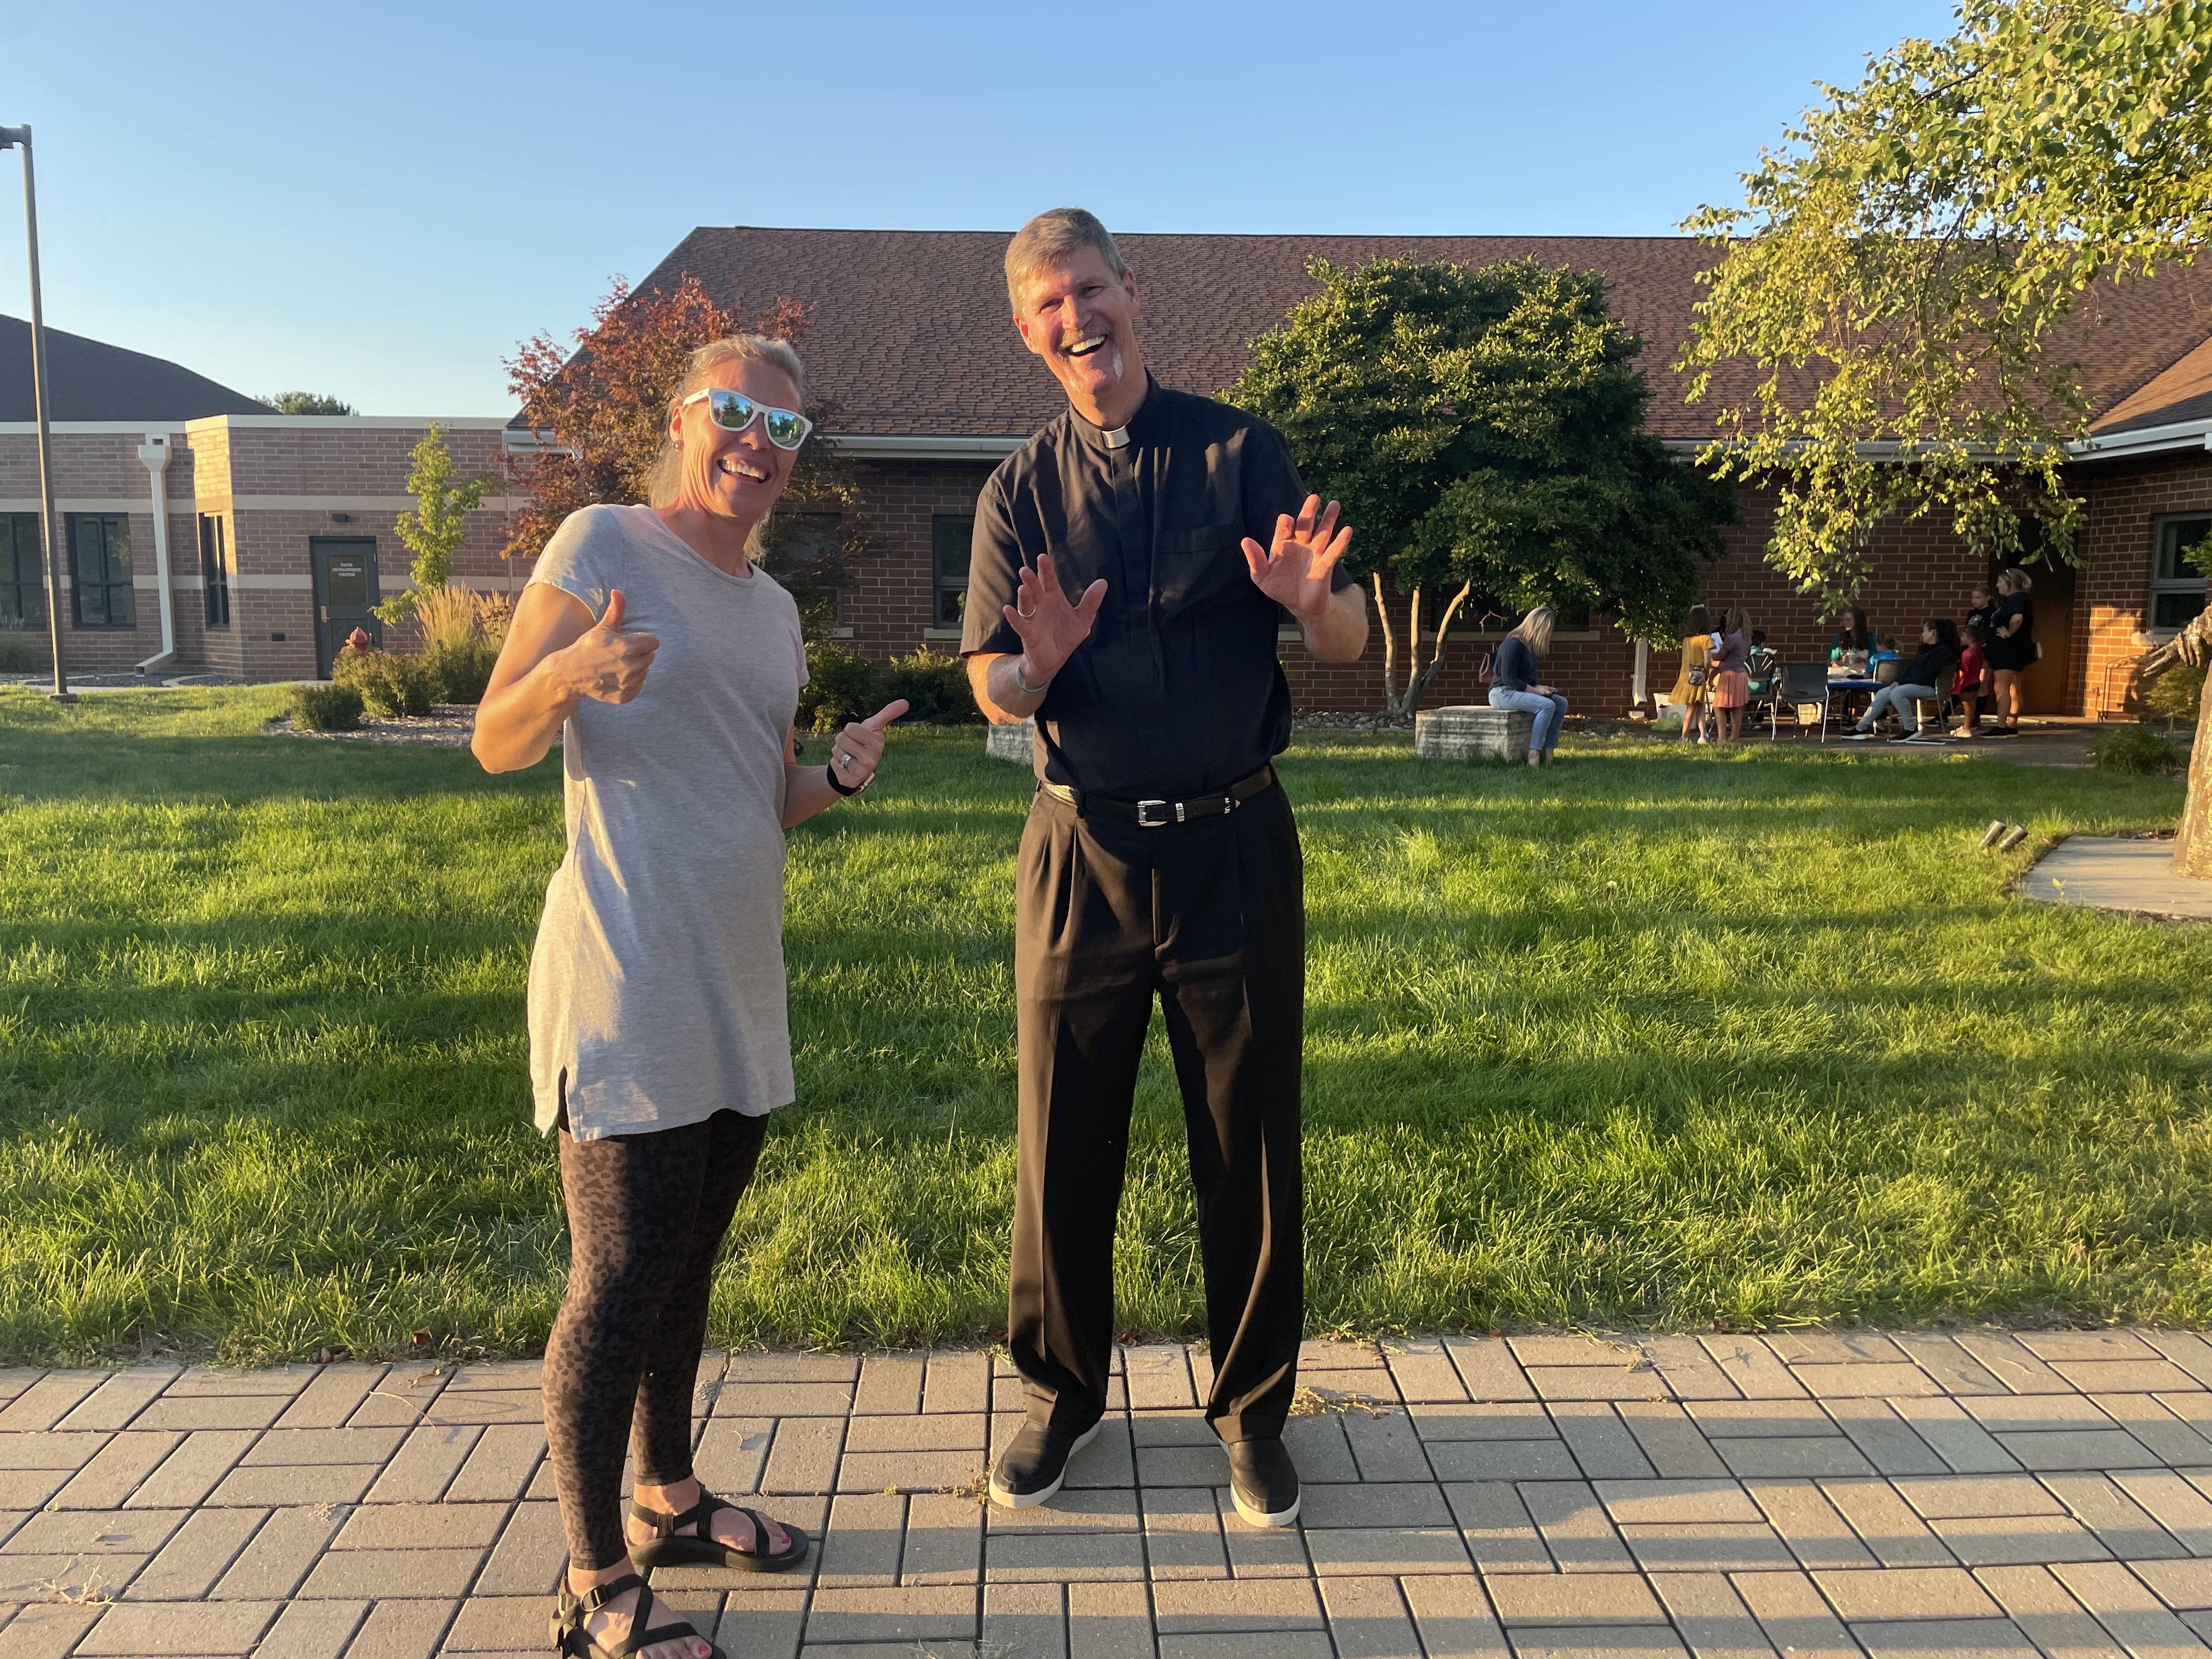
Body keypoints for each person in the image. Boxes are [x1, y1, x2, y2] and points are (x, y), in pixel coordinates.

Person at [473, 337, 907, 1659]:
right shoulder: (601, 540)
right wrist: (564, 677)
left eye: (783, 425)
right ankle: (594, 1578)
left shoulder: (773, 609)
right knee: (615, 1279)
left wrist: (831, 777)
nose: (757, 442)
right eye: (733, 412)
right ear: (685, 418)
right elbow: (498, 737)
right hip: (624, 967)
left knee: (688, 1261)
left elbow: (756, 794)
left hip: (735, 972)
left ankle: (667, 1495)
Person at [960, 208, 1368, 1531]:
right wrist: (1038, 669)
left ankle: (1255, 1413)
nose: (1076, 320)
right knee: (1060, 1136)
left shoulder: (1244, 451)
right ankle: (1060, 1396)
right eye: (1047, 309)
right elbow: (992, 687)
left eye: (1090, 290)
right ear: (1027, 336)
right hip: (1081, 849)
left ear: (1131, 293)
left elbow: (1351, 640)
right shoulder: (1016, 490)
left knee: (1246, 1140)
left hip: (1233, 847)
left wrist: (1314, 606)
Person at [1840, 617, 1959, 743]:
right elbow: (1912, 669)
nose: (1922, 634)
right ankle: (1861, 728)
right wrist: (1898, 681)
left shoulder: (1944, 651)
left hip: (1933, 687)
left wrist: (1902, 683)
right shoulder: (1925, 649)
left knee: (1898, 692)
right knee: (1882, 693)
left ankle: (1910, 728)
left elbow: (1927, 674)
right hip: (1917, 684)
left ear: (1933, 633)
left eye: (1925, 631)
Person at [1488, 607, 1568, 767]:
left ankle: (1549, 753)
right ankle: (1534, 753)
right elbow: (1508, 678)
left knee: (1561, 703)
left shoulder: (1529, 647)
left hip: (1517, 691)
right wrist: (1535, 691)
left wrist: (1541, 687)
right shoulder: (1513, 644)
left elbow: (1529, 677)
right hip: (1501, 693)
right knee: (1546, 706)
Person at [1986, 566, 2036, 736]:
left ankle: (2001, 726)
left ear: (2010, 584)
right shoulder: (2022, 599)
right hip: (2018, 650)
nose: (1997, 585)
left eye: (2001, 582)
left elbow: (2017, 618)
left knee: (2002, 688)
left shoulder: (2015, 600)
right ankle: (2012, 724)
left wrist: (2009, 633)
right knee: (2015, 687)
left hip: (2007, 651)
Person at [1667, 605, 1718, 743]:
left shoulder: (1686, 641)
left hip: (1686, 676)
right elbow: (1707, 661)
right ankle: (1685, 737)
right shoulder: (1706, 639)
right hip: (1699, 677)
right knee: (1694, 707)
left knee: (1699, 706)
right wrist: (1708, 674)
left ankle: (1703, 734)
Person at [1708, 606, 1753, 743]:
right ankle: (1734, 738)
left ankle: (1722, 738)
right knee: (1737, 707)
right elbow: (1746, 655)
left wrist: (1709, 653)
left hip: (1729, 675)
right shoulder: (1748, 639)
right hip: (1742, 674)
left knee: (1719, 706)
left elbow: (1720, 656)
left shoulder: (1731, 638)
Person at [1953, 619, 1989, 739]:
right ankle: (1966, 726)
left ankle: (1967, 729)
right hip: (1976, 681)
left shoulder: (1967, 653)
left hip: (1967, 684)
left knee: (1967, 706)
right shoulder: (1979, 652)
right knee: (1972, 705)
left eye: (1964, 635)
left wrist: (1956, 683)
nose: (1961, 637)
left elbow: (1963, 670)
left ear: (1971, 638)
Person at [1828, 606, 1877, 672]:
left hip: (1865, 675)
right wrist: (1842, 662)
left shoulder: (1871, 638)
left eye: (1848, 620)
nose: (1845, 623)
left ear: (1858, 621)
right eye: (1844, 620)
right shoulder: (1840, 638)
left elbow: (1877, 659)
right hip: (1845, 675)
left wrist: (1863, 660)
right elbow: (1831, 660)